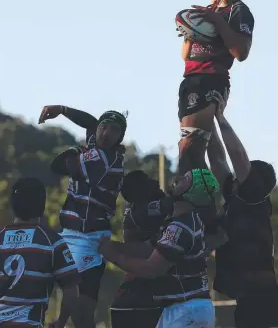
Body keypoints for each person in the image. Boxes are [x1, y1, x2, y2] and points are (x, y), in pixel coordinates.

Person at [99, 168, 220, 328]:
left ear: (193, 192)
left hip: (185, 309)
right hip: (187, 308)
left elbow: (152, 269)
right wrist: (108, 245)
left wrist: (112, 255)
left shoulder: (179, 227)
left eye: (185, 179)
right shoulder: (181, 221)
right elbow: (145, 249)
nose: (177, 178)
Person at [206, 93, 278, 328]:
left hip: (264, 298)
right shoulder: (236, 199)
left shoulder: (256, 201)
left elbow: (237, 155)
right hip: (247, 297)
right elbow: (219, 160)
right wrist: (205, 120)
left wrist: (220, 117)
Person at [42, 106, 127, 328]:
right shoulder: (94, 145)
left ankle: (61, 321)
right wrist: (61, 109)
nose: (106, 133)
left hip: (88, 238)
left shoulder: (105, 158)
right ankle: (59, 321)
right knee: (64, 295)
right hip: (69, 234)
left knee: (81, 310)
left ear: (120, 138)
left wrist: (74, 151)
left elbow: (60, 165)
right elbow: (90, 122)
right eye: (104, 127)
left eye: (114, 130)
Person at [0, 177, 80, 328]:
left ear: (13, 205)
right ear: (42, 206)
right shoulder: (52, 243)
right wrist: (61, 321)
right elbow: (71, 292)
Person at [177, 0, 254, 175]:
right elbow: (186, 56)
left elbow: (241, 53)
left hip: (210, 80)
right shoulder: (207, 12)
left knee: (190, 146)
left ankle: (195, 200)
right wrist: (189, 35)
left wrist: (218, 22)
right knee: (197, 147)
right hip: (190, 80)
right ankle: (218, 193)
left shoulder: (239, 11)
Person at [109, 171, 173, 328]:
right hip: (141, 294)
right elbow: (171, 205)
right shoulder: (144, 209)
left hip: (141, 294)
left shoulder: (142, 208)